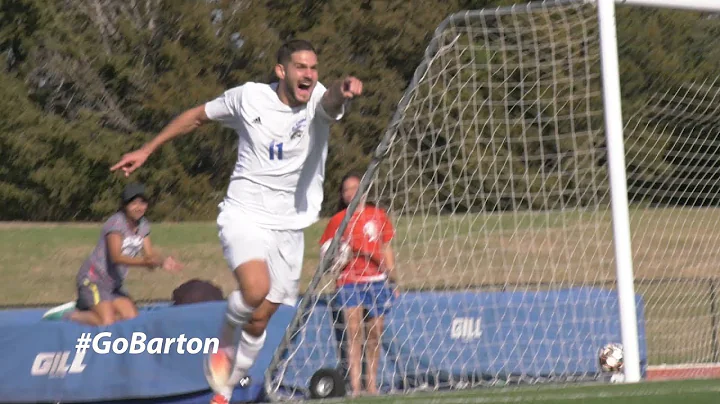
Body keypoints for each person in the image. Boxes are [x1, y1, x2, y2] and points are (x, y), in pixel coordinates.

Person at [109, 39, 363, 404]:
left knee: (260, 319)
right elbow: (196, 116)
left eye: (313, 68)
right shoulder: (248, 98)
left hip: (289, 227)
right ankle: (227, 332)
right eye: (300, 67)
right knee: (255, 289)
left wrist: (344, 89)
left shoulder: (318, 101)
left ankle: (226, 389)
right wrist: (148, 148)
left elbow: (332, 101)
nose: (309, 74)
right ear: (281, 71)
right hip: (244, 213)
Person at [42, 183, 184, 324]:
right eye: (133, 203)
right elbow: (116, 257)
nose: (139, 207)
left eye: (142, 203)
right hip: (93, 280)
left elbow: (149, 255)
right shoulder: (116, 223)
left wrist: (162, 262)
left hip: (113, 285)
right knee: (106, 322)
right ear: (124, 205)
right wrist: (145, 262)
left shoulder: (143, 225)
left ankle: (89, 307)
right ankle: (70, 315)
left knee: (131, 318)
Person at [319, 172, 398, 396]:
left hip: (377, 281)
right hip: (349, 282)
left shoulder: (379, 215)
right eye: (346, 190)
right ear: (342, 195)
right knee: (353, 333)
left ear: (364, 190)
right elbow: (326, 252)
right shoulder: (338, 220)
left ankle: (371, 385)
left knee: (374, 334)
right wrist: (336, 261)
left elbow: (386, 248)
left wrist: (393, 278)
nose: (351, 193)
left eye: (355, 188)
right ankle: (354, 387)